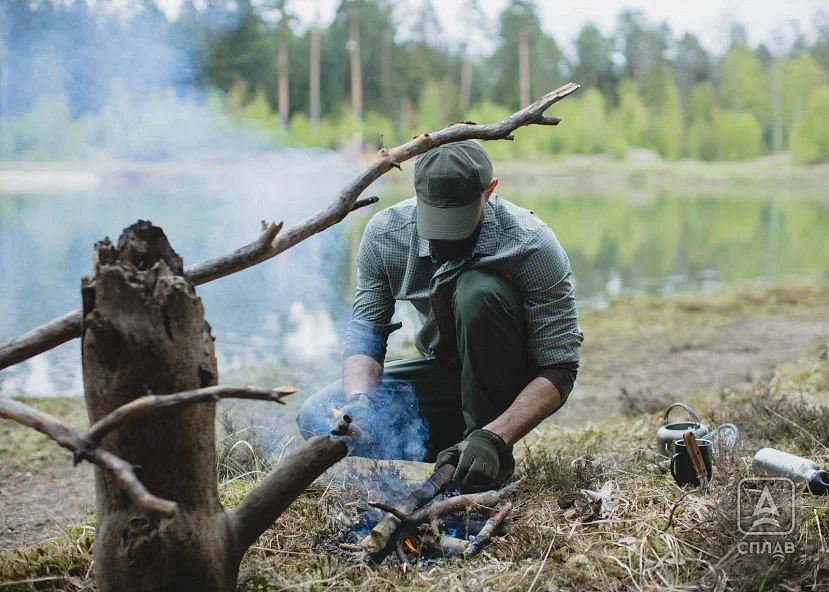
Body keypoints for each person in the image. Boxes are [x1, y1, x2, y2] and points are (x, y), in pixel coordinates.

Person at [296, 139, 583, 492]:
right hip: (445, 376)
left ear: (488, 192)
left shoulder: (531, 244)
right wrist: (361, 400)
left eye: (457, 220)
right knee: (317, 415)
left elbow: (561, 367)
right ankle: (457, 455)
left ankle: (487, 456)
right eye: (436, 219)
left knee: (476, 291)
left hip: (508, 384)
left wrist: (495, 436)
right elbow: (366, 335)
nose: (445, 237)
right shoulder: (386, 236)